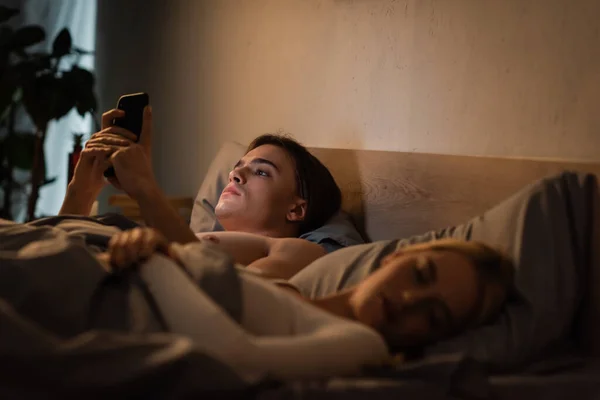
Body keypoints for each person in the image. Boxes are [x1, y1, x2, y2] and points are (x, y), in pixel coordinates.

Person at [93, 227, 513, 381]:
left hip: (112, 298)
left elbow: (236, 358)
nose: (408, 302)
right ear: (395, 257)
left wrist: (153, 262)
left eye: (433, 315)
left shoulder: (361, 345)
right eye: (420, 276)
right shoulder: (292, 293)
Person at [60, 106, 342, 279]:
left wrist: (146, 190)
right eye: (237, 167)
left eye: (261, 171)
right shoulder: (185, 235)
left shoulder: (301, 251)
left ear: (296, 209)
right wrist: (82, 190)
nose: (235, 174)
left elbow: (239, 298)